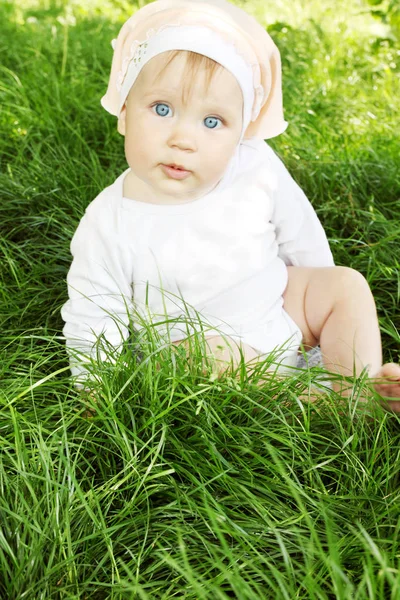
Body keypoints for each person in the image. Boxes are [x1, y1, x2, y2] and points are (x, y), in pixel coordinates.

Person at [61, 0, 400, 410]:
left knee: (346, 284)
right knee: (207, 353)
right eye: (162, 109)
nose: (183, 138)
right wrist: (97, 393)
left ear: (240, 132)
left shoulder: (254, 166)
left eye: (212, 122)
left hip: (274, 310)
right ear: (124, 114)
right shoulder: (109, 221)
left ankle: (354, 383)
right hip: (197, 354)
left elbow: (301, 235)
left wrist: (319, 317)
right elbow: (94, 316)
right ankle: (323, 404)